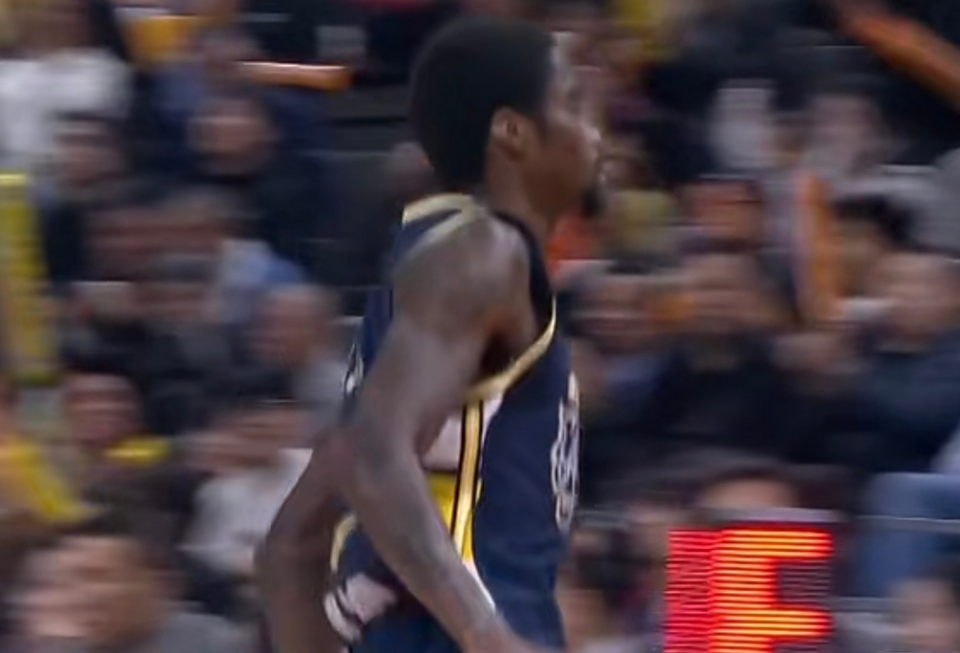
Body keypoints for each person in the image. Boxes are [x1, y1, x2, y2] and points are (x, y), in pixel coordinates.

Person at [261, 15, 602, 653]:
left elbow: (291, 547)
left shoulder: (422, 274)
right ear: (513, 131)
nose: (595, 131)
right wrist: (485, 633)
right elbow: (372, 458)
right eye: (575, 105)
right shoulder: (487, 253)